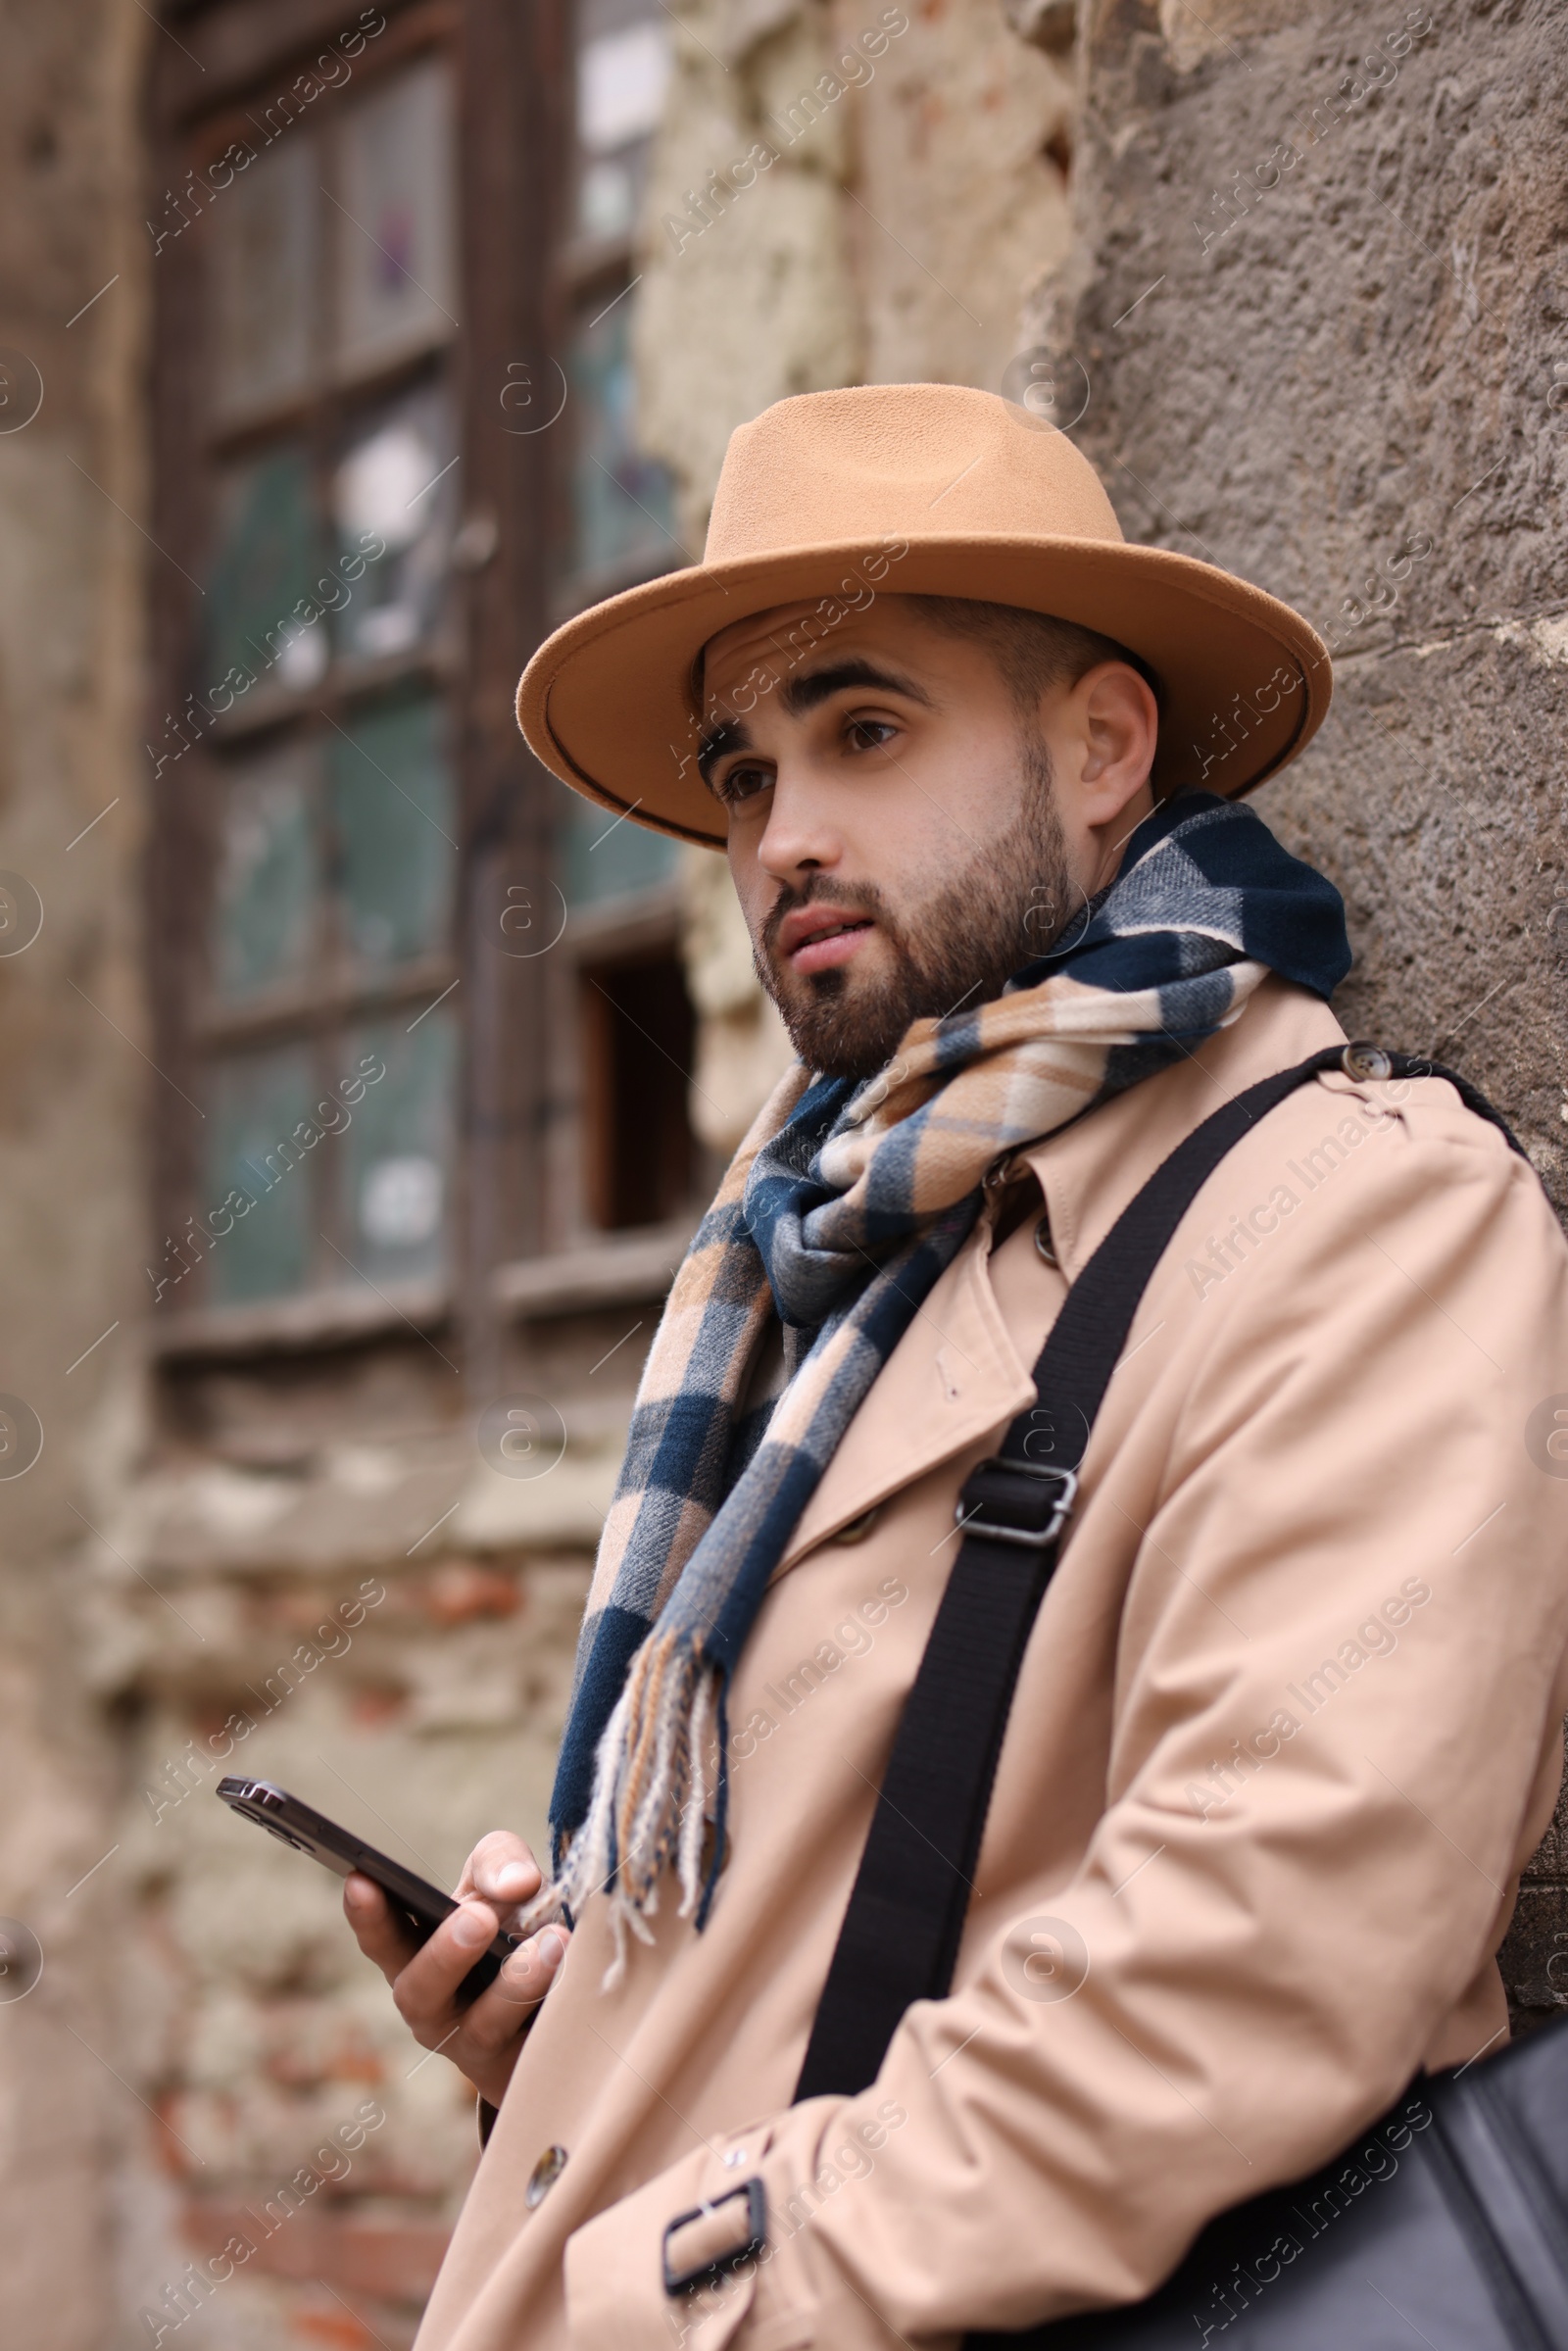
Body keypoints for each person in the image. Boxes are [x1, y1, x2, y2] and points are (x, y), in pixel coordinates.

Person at [343, 384, 1568, 2350]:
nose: (783, 837)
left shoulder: (1361, 1224)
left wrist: (667, 2291)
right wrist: (554, 2039)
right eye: (744, 774)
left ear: (1098, 747)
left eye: (864, 730)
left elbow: (1251, 1963)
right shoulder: (807, 1250)